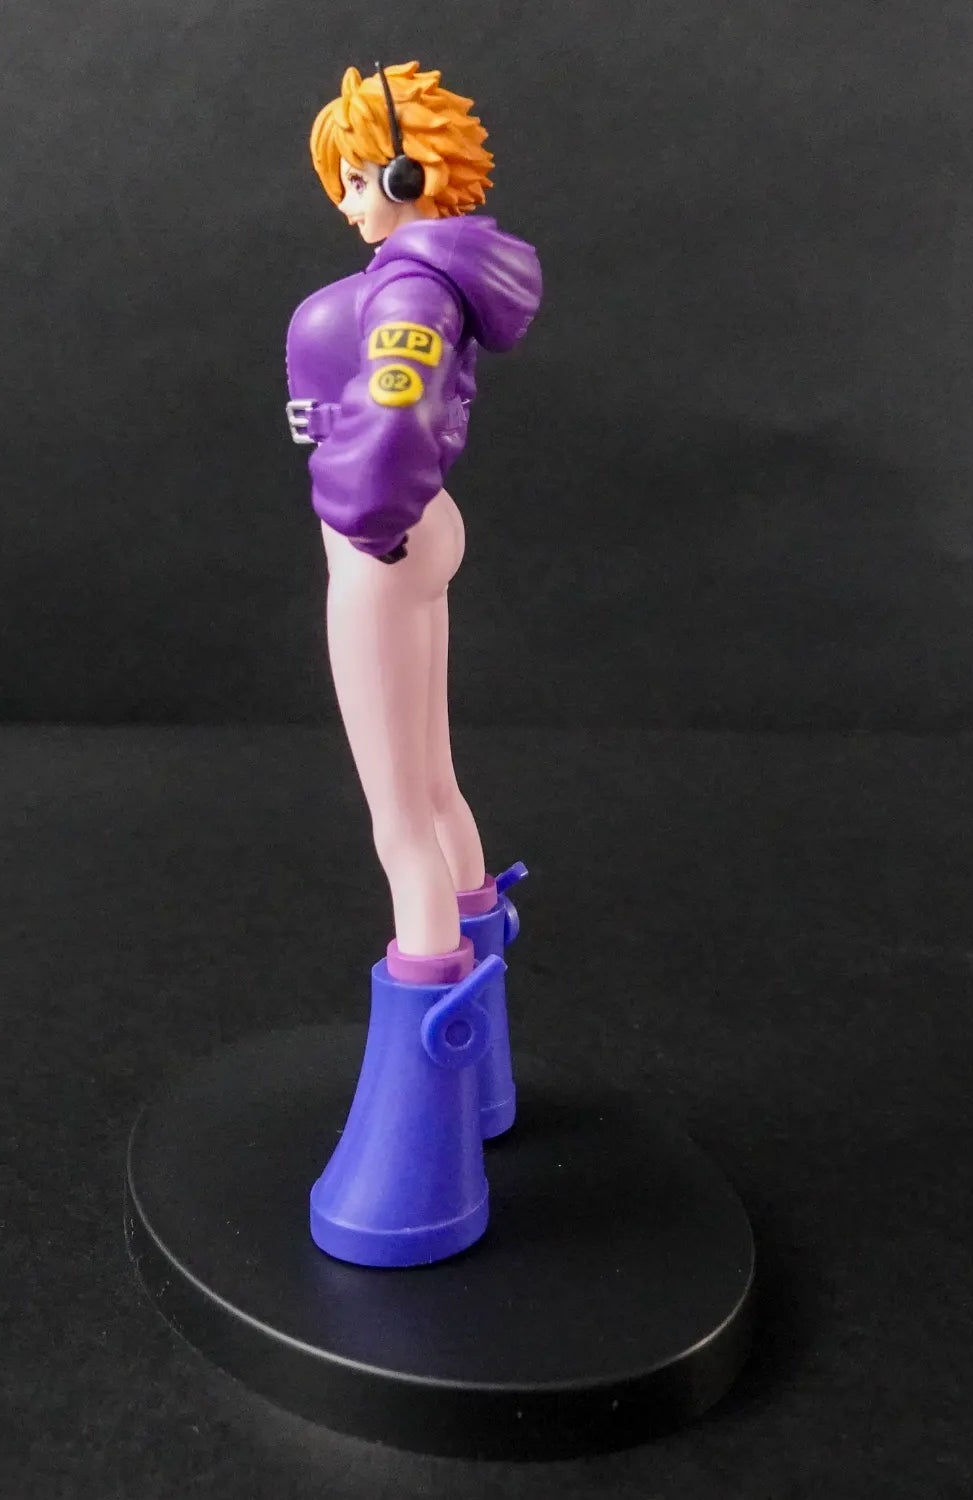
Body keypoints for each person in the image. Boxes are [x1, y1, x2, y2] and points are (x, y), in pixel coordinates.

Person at [285, 60, 543, 986]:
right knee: (431, 785)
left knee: (398, 817)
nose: (348, 202)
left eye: (360, 179)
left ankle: (433, 1011)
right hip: (413, 527)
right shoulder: (429, 275)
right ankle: (476, 952)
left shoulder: (411, 289)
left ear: (408, 172)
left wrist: (363, 514)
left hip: (383, 538)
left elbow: (399, 408)